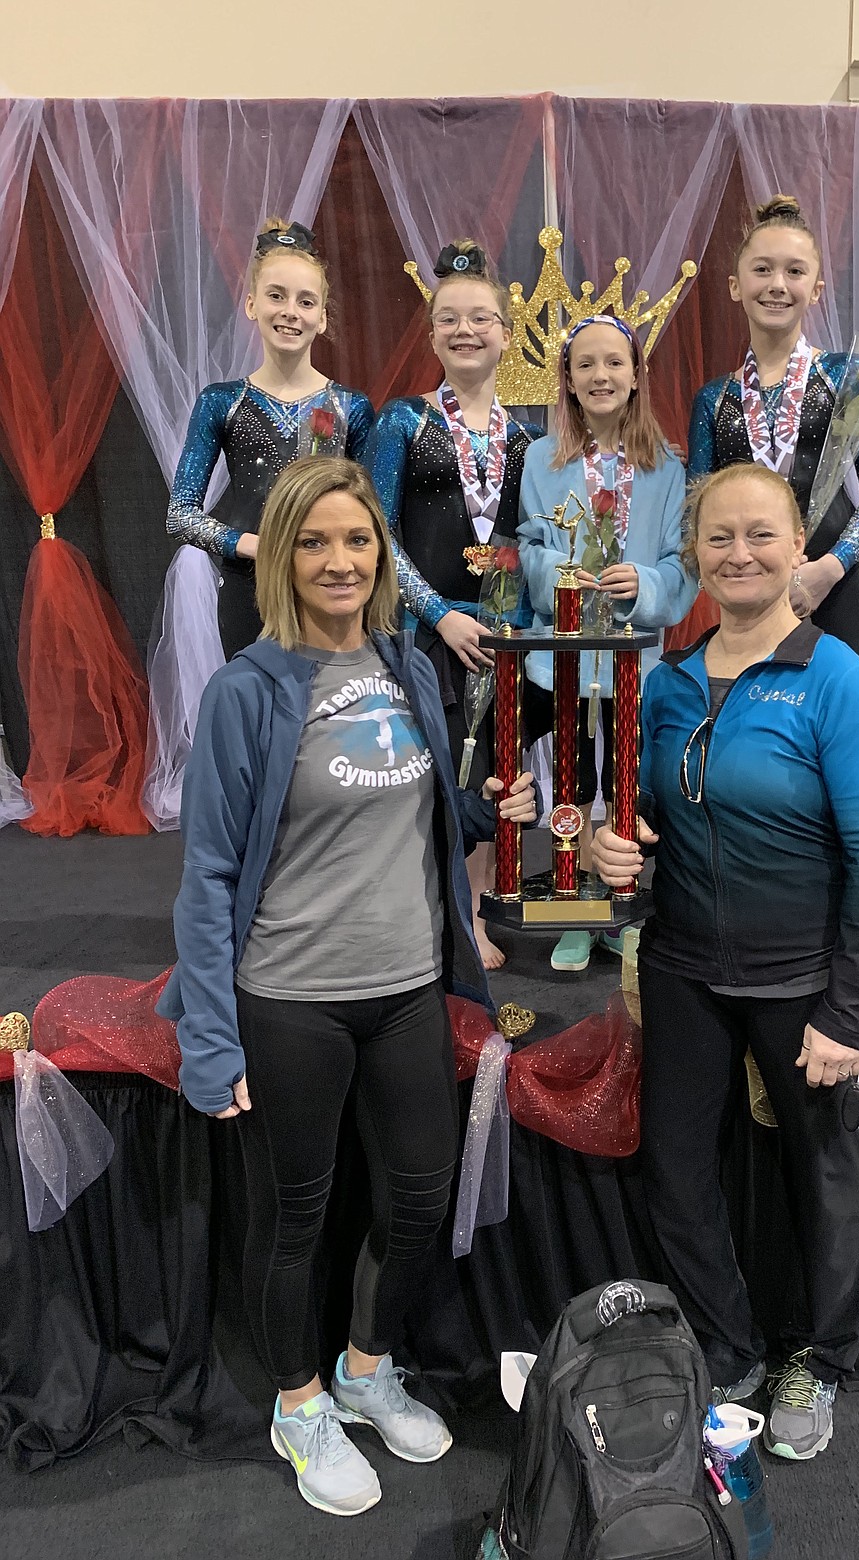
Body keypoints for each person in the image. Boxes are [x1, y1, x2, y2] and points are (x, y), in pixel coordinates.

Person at [157, 456, 535, 1517]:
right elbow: (210, 875)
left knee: (417, 1200)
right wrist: (211, 1040)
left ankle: (367, 1371)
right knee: (298, 1218)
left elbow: (415, 819)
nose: (339, 560)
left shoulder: (406, 665)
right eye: (315, 542)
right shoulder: (249, 688)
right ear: (282, 553)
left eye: (357, 540)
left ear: (382, 555)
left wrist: (483, 807)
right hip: (291, 998)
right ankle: (298, 1402)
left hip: (406, 987)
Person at [592, 463, 859, 1461]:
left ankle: (821, 1359)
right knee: (676, 1171)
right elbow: (645, 822)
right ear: (693, 556)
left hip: (802, 982)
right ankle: (727, 1348)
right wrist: (615, 850)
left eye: (761, 536)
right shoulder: (672, 683)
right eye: (719, 538)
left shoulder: (838, 681)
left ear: (795, 546)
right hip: (683, 969)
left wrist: (847, 1014)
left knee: (828, 1177)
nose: (739, 554)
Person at [366, 240, 540, 971]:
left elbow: (532, 541)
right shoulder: (401, 421)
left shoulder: (527, 437)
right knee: (426, 771)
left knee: (495, 767)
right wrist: (437, 612)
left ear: (506, 330)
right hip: (426, 629)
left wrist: (519, 626)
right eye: (450, 320)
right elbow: (376, 529)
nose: (466, 331)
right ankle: (421, 909)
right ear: (432, 333)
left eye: (482, 318)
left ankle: (474, 912)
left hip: (500, 632)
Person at [167, 218, 442, 658]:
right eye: (276, 296)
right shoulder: (222, 401)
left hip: (330, 586)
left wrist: (425, 608)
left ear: (322, 317)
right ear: (252, 304)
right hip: (250, 590)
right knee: (260, 711)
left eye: (305, 301)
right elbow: (180, 515)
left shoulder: (349, 407)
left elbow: (374, 521)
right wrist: (255, 545)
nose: (290, 311)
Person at [517, 315, 695, 972]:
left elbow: (683, 564)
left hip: (633, 665)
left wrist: (643, 582)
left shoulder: (666, 467)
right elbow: (527, 548)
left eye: (614, 363)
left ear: (636, 374)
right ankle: (573, 903)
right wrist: (556, 578)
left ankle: (618, 900)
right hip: (562, 661)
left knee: (624, 787)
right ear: (565, 378)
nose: (601, 376)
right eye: (585, 364)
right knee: (571, 786)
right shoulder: (541, 459)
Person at [687, 194, 859, 656]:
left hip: (832, 591)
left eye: (794, 271)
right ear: (734, 286)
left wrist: (830, 568)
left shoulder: (849, 377)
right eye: (762, 269)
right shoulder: (713, 399)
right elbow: (697, 506)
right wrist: (731, 573)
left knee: (830, 718)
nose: (777, 285)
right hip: (747, 593)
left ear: (816, 289)